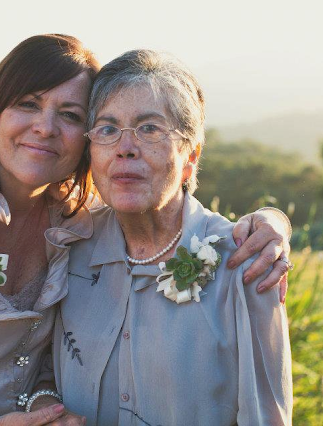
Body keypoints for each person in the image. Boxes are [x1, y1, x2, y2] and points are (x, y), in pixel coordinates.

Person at [0, 35, 291, 426]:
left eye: (69, 116)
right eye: (27, 104)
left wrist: (273, 221)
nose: (45, 128)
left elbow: (45, 363)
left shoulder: (77, 226)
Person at [50, 50, 292, 425]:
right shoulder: (69, 245)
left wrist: (276, 222)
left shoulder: (245, 260)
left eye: (149, 129)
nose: (125, 148)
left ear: (190, 157)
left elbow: (266, 416)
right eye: (108, 129)